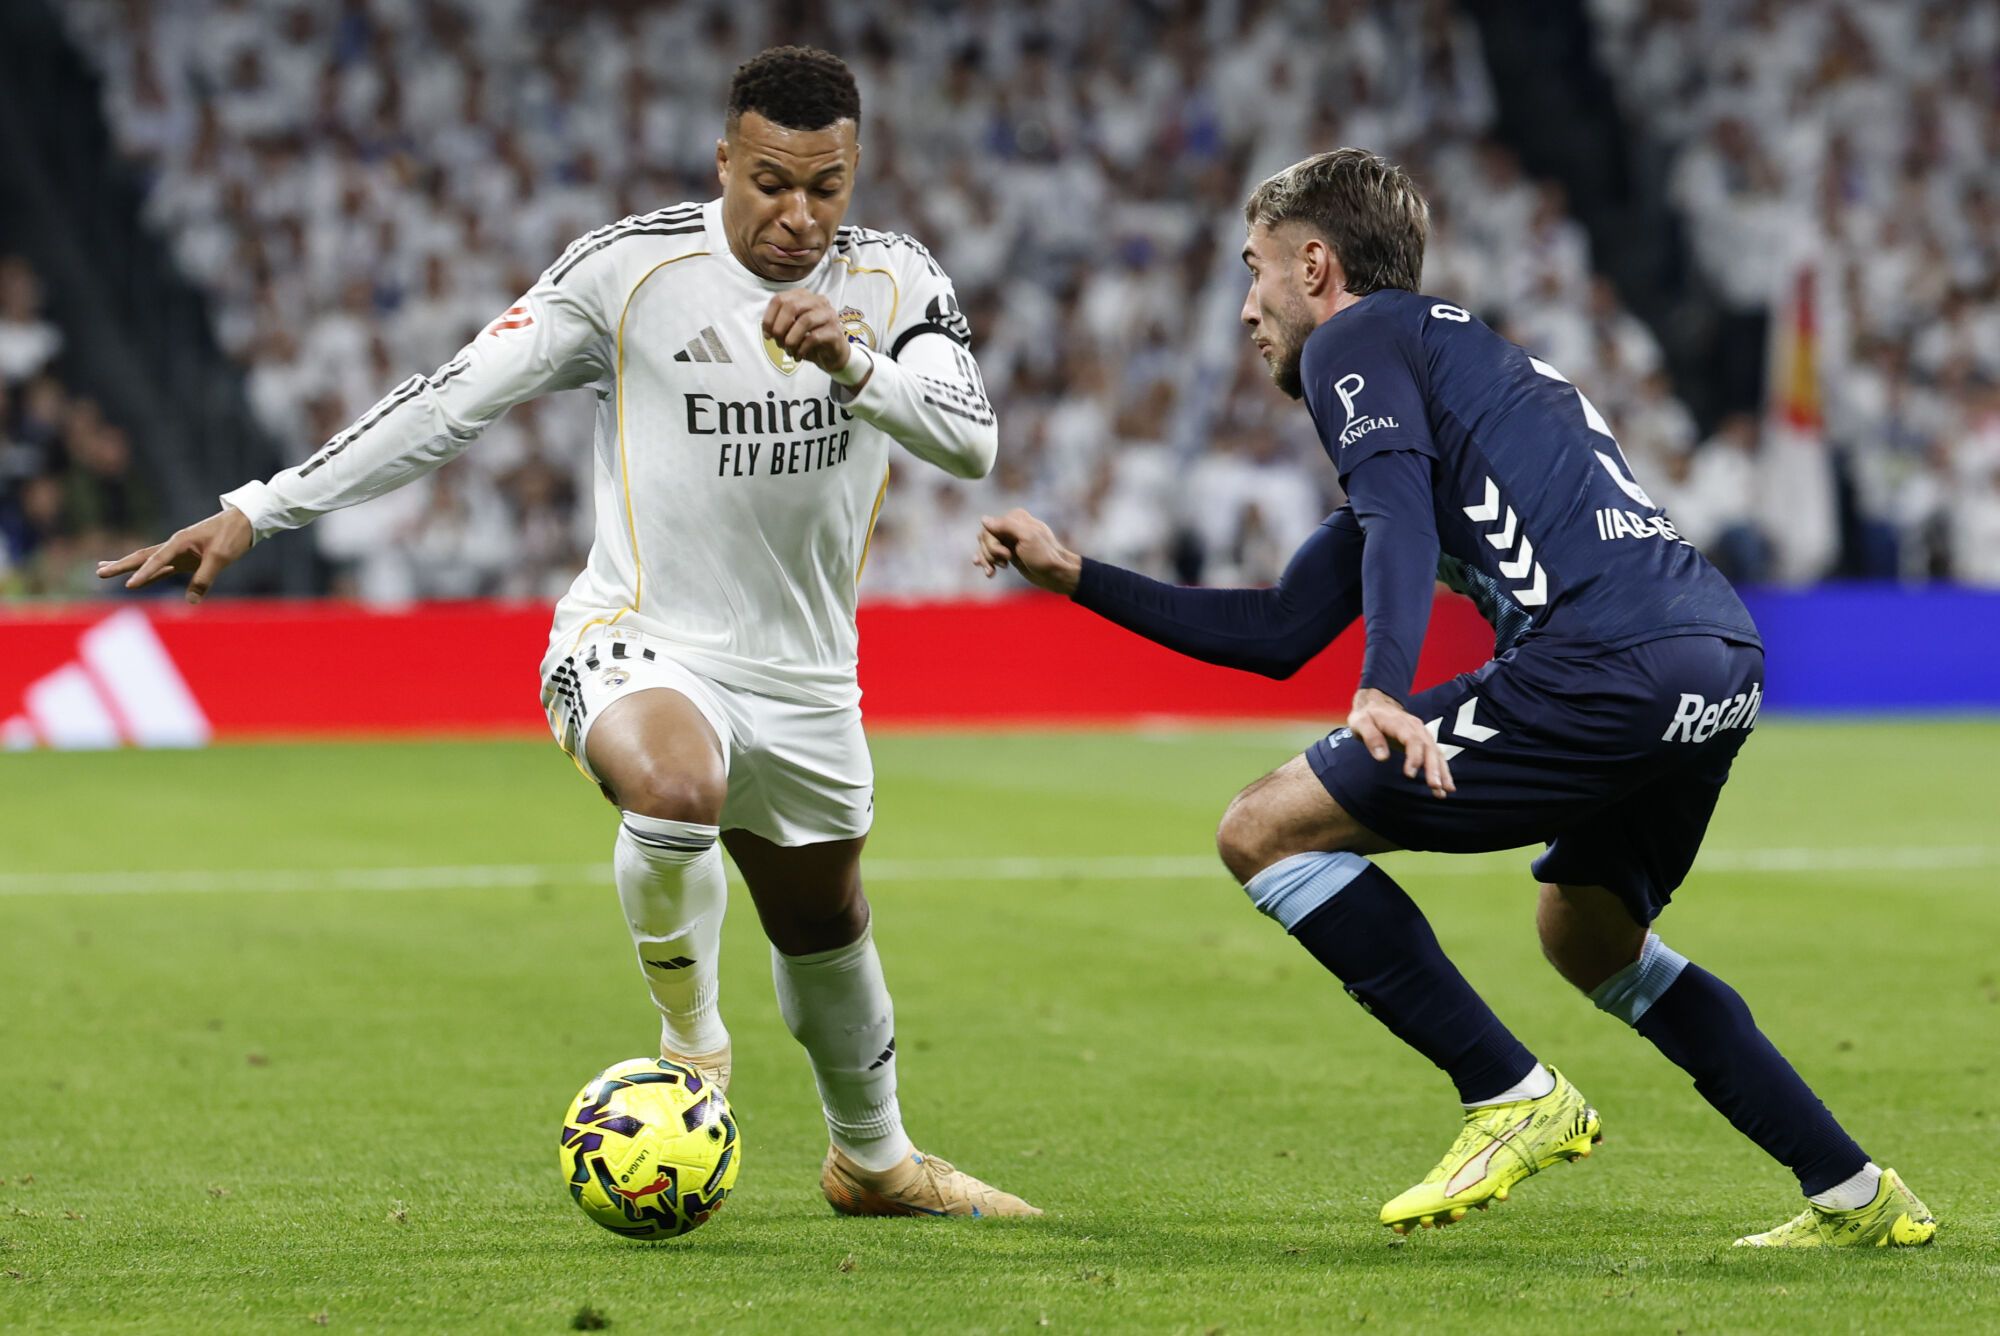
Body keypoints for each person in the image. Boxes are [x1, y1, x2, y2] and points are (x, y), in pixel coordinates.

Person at [100, 46, 1036, 1221]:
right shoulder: (629, 270)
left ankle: (875, 1162)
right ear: (723, 161)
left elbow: (969, 439)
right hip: (639, 639)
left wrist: (849, 359)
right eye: (769, 183)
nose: (798, 216)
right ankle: (691, 1050)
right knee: (675, 783)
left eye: (826, 187)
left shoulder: (894, 279)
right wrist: (260, 507)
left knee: (823, 923)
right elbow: (451, 399)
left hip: (806, 678)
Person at [975, 148, 1934, 1248]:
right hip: (1713, 659)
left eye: (1253, 270)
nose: (1245, 308)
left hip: (1600, 658)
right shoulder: (1459, 378)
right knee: (1589, 934)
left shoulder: (1354, 339)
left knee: (1262, 828)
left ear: (1315, 266)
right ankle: (1855, 1194)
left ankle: (1509, 1093)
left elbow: (1394, 515)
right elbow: (1279, 631)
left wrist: (1382, 687)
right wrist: (1075, 576)